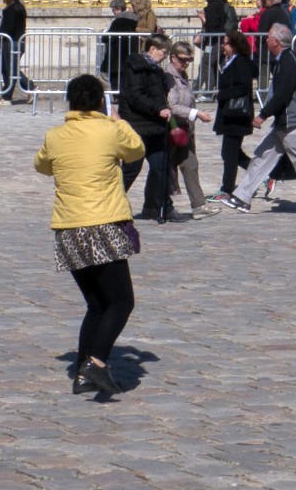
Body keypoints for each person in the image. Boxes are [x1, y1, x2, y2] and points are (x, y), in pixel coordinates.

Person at [35, 73, 147, 398]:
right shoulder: (110, 130)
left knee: (96, 304)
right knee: (122, 301)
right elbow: (137, 149)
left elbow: (42, 165)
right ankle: (96, 363)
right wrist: (119, 121)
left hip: (68, 228)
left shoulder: (55, 135)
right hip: (102, 225)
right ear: (101, 101)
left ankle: (82, 374)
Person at [220, 31, 296, 215]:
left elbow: (282, 94)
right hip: (284, 121)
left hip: (292, 121)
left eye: (269, 37)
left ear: (276, 42)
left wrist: (263, 115)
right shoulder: (283, 59)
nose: (265, 39)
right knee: (261, 156)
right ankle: (242, 197)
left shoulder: (289, 61)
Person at [118, 34, 177, 221]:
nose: (165, 57)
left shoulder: (155, 69)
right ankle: (107, 204)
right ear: (152, 49)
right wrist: (158, 108)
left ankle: (160, 207)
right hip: (138, 126)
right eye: (163, 52)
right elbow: (136, 96)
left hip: (155, 127)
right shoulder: (136, 67)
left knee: (161, 168)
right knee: (131, 169)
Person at [164, 39, 212, 218]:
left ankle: (199, 205)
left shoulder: (182, 76)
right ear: (173, 57)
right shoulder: (169, 77)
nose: (186, 63)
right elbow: (172, 105)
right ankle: (157, 205)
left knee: (190, 164)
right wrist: (196, 113)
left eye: (189, 60)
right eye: (183, 59)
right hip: (173, 128)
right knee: (166, 168)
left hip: (185, 129)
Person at [212, 32, 259, 200]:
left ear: (234, 45)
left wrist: (222, 94)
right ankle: (264, 174)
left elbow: (241, 87)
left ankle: (227, 188)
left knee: (229, 154)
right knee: (232, 152)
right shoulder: (231, 61)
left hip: (237, 114)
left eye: (225, 43)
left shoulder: (241, 63)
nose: (223, 46)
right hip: (230, 114)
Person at [0, 0, 30, 102]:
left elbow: (8, 28)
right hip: (13, 41)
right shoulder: (15, 7)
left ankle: (29, 88)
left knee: (11, 70)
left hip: (12, 42)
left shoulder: (12, 9)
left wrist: (0, 36)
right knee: (8, 70)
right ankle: (7, 95)